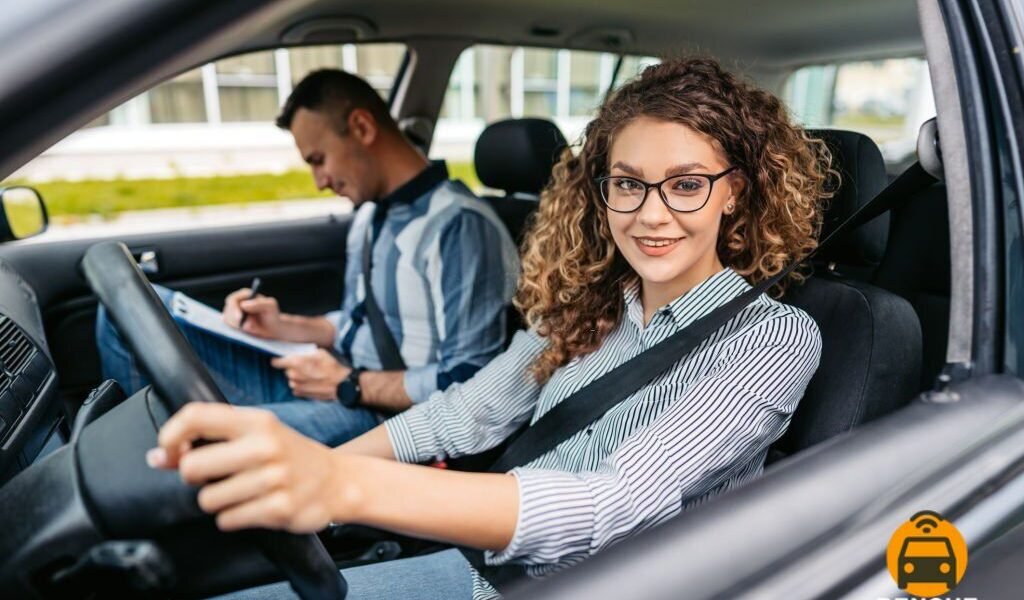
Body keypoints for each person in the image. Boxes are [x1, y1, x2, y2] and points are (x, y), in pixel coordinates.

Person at [147, 57, 831, 599]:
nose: (651, 214)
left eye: (686, 185)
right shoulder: (589, 305)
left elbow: (609, 505)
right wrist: (325, 473)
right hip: (480, 563)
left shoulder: (772, 339)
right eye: (628, 183)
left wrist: (337, 485)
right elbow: (463, 415)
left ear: (735, 189)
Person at [95, 69, 519, 447]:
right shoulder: (371, 214)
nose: (319, 182)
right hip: (331, 378)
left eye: (318, 160)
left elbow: (469, 380)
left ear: (361, 127)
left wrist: (350, 385)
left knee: (193, 439)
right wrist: (284, 326)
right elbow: (359, 323)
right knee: (126, 312)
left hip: (380, 416)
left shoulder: (459, 227)